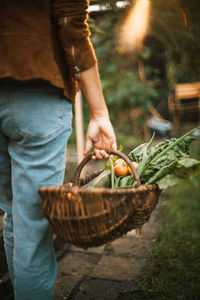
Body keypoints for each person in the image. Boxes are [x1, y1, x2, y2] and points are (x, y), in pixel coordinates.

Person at [0, 0, 117, 299]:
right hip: (37, 88)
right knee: (34, 225)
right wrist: (100, 113)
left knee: (13, 213)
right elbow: (70, 23)